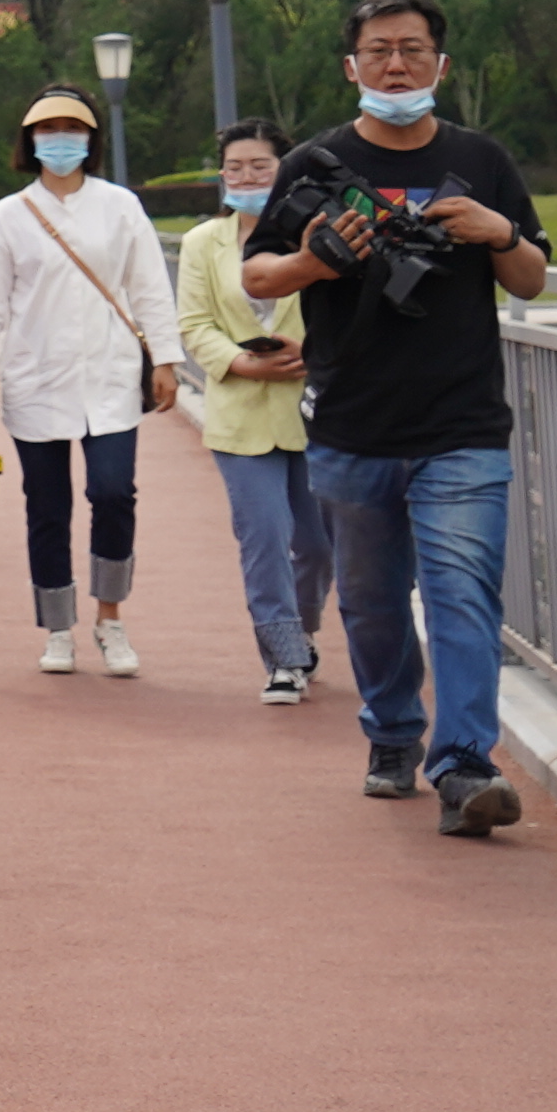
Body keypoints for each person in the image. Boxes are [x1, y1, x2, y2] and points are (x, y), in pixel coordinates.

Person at [248, 0, 555, 837]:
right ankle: (391, 734)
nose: (396, 65)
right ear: (352, 66)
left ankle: (464, 767)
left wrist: (498, 232)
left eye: (413, 50)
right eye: (379, 50)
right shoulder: (312, 165)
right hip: (353, 423)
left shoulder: (482, 159)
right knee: (374, 603)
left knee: (462, 593)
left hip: (463, 426)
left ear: (440, 65)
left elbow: (530, 279)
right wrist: (317, 258)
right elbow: (258, 278)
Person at [0, 87, 178, 676]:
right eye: (47, 128)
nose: (60, 139)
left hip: (109, 376)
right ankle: (57, 627)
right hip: (37, 378)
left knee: (111, 492)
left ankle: (110, 617)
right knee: (47, 508)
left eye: (71, 128)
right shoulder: (9, 214)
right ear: (29, 140)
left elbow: (149, 285)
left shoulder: (120, 206)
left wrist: (168, 360)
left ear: (92, 138)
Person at [179, 121, 332, 704]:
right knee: (264, 536)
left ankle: (304, 630)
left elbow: (341, 315)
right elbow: (194, 325)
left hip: (314, 411)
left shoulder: (317, 235)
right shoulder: (202, 244)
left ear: (285, 170)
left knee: (317, 545)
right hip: (240, 417)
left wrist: (311, 355)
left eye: (260, 166)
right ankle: (282, 658)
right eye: (235, 167)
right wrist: (240, 363)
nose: (246, 177)